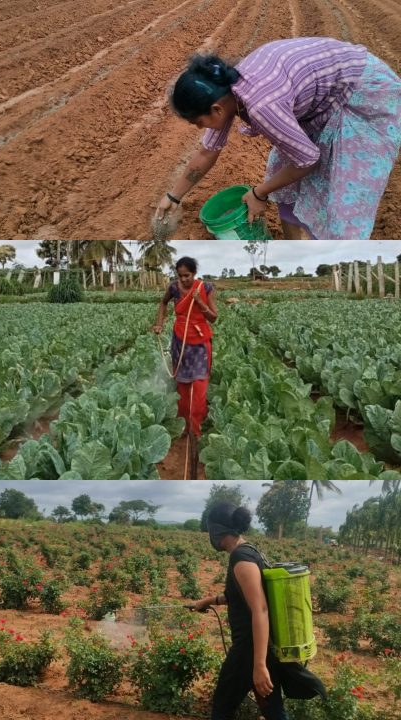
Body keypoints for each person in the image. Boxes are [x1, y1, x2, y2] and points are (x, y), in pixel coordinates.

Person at [153, 38, 401, 239]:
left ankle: (334, 259)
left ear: (217, 109)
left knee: (342, 199)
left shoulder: (262, 106)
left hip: (362, 94)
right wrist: (173, 197)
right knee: (281, 175)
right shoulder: (227, 91)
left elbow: (308, 161)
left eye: (198, 122)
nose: (198, 128)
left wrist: (259, 193)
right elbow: (207, 151)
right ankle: (294, 248)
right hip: (322, 99)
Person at [192, 503, 286, 719]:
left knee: (222, 708)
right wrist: (209, 600)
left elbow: (260, 609)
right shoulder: (251, 552)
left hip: (248, 650)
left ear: (216, 531)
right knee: (273, 710)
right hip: (262, 646)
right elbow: (241, 596)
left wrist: (259, 665)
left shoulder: (241, 560)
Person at [152, 257, 219, 453]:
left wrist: (200, 303)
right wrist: (160, 323)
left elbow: (214, 317)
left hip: (199, 343)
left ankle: (196, 429)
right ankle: (184, 426)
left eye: (187, 276)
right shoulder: (173, 288)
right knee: (182, 385)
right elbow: (163, 304)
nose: (183, 280)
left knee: (199, 386)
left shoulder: (205, 288)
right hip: (180, 342)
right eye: (180, 276)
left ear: (194, 273)